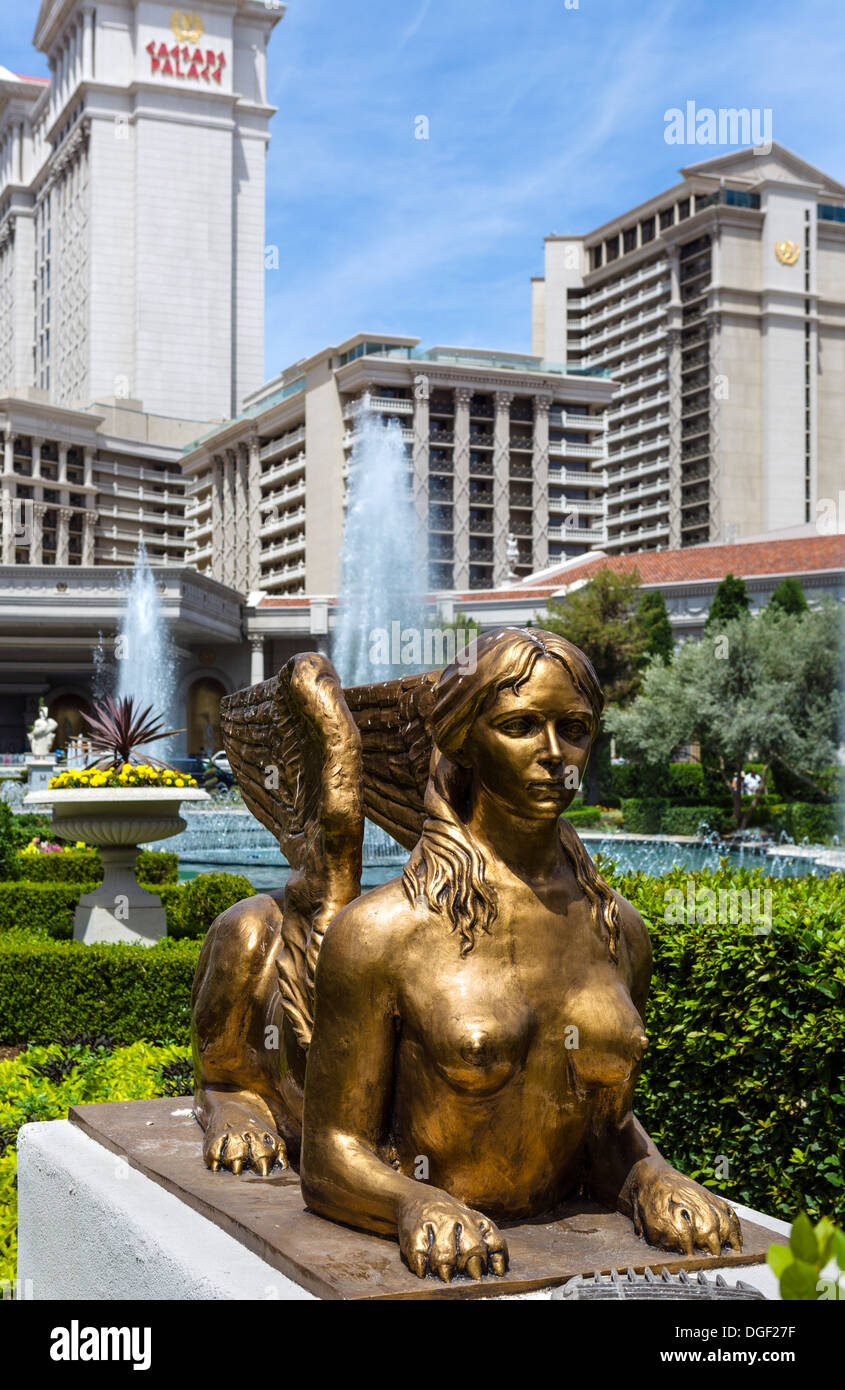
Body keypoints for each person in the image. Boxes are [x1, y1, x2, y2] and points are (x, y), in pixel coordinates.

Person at [192, 628, 741, 1282]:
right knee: (252, 927)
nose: (553, 753)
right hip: (359, 1133)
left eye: (573, 727)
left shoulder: (619, 930)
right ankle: (225, 1087)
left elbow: (605, 1127)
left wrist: (652, 1176)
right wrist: (413, 1201)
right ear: (462, 739)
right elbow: (331, 1156)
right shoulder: (383, 932)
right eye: (518, 725)